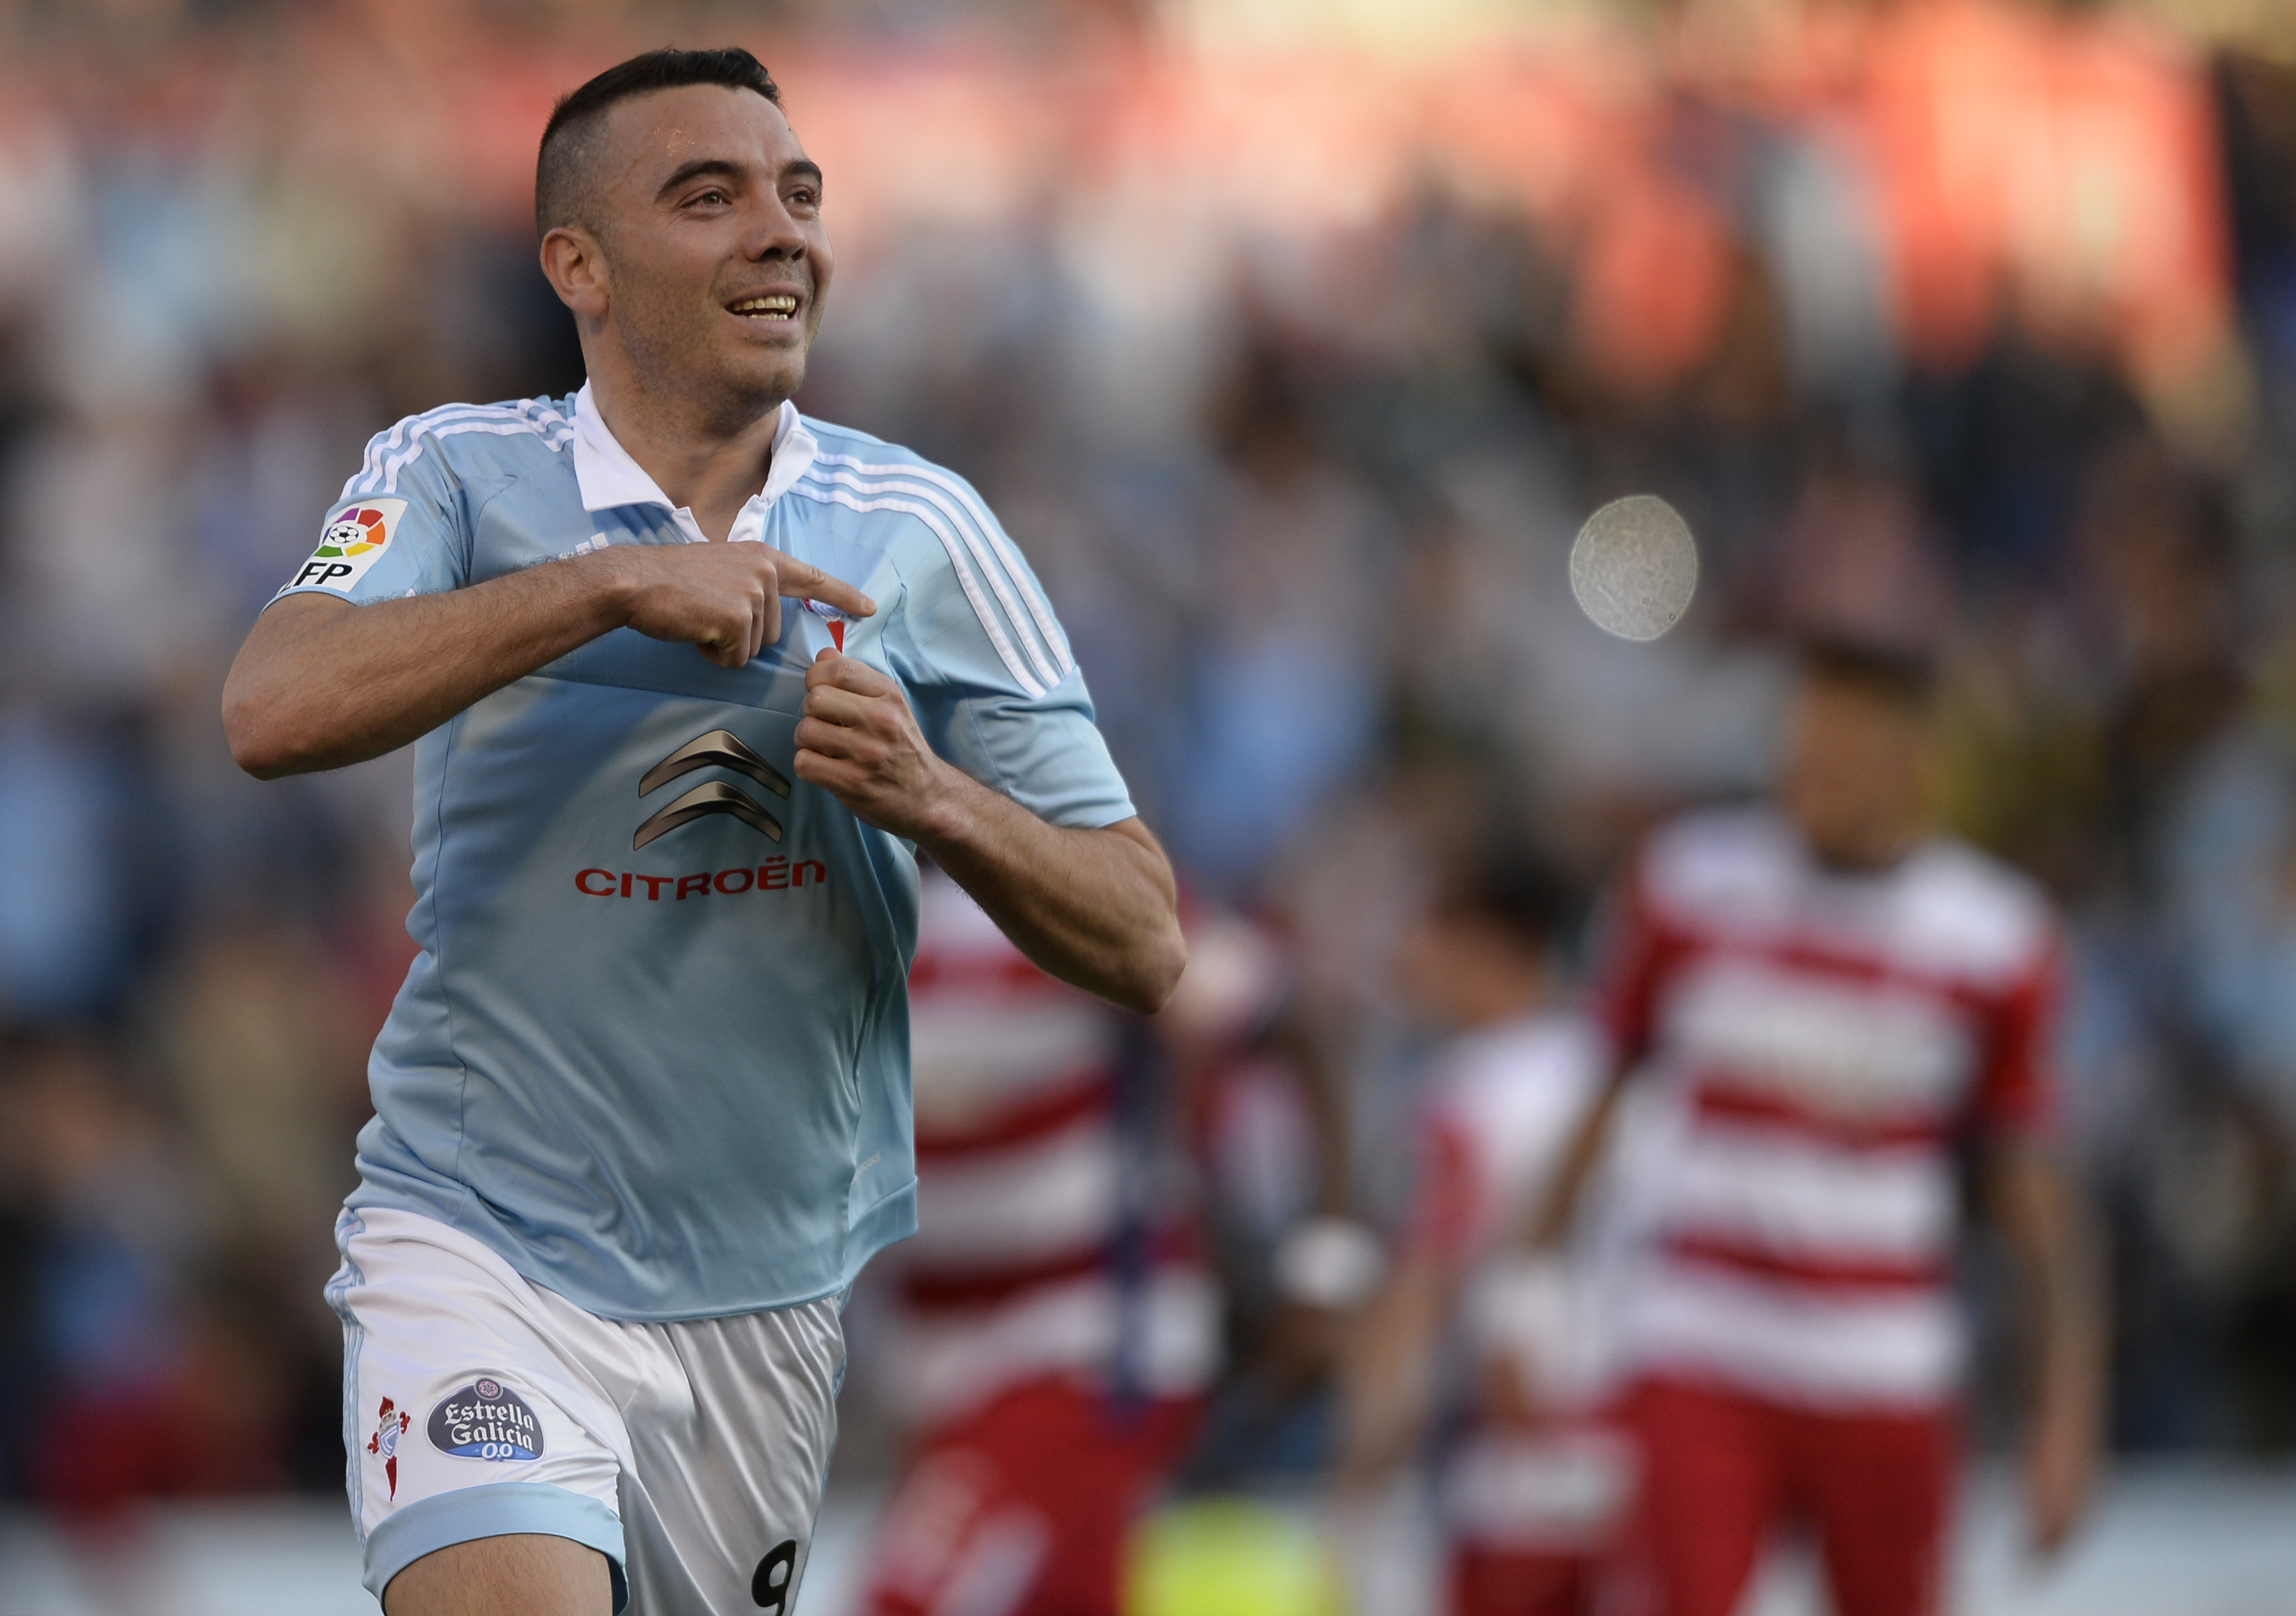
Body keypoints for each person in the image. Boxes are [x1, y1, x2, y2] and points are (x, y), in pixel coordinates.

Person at [220, 47, 1184, 1616]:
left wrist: (932, 797)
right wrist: (609, 585)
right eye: (709, 196)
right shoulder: (455, 473)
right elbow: (271, 704)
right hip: (479, 1236)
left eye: (799, 194)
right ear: (577, 266)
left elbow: (1143, 937)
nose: (780, 231)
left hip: (766, 1293)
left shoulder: (922, 527)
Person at [1533, 638, 2103, 1616]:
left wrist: (2067, 1410)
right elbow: (1600, 1100)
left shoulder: (1997, 937)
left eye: (1841, 755)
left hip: (1883, 1361)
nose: (1809, 776)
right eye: (1800, 748)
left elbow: (2030, 1183)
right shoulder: (1687, 883)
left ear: (1916, 765)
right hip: (1703, 1340)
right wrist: (1531, 1297)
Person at [856, 868, 1285, 1616]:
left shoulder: (1053, 880)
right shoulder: (831, 918)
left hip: (1083, 1339)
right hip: (933, 1365)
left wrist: (1319, 1256)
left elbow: (1266, 1009)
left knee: (907, 1600)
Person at [1335, 849, 1638, 1616]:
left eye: (1433, 928)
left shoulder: (1463, 1096)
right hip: (1633, 1455)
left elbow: (1423, 1282)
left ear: (1491, 944)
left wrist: (1359, 1470)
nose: (1412, 953)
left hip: (1510, 1474)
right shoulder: (1618, 1074)